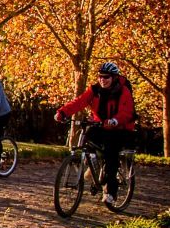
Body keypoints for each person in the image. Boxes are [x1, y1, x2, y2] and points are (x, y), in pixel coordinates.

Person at [54, 61, 135, 206]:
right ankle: (93, 169)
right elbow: (79, 102)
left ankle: (111, 191)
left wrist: (115, 120)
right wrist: (63, 112)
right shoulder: (95, 90)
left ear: (114, 78)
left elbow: (127, 112)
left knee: (111, 153)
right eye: (100, 77)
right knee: (88, 138)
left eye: (106, 77)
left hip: (120, 129)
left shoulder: (123, 91)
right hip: (101, 125)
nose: (102, 80)